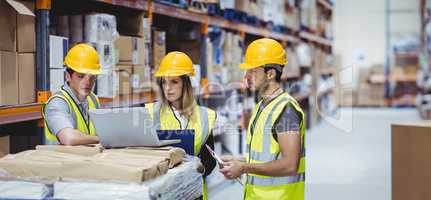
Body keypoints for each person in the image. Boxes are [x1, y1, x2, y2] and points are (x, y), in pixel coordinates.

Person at [219, 38, 306, 200]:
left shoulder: (286, 110)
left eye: (253, 71)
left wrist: (244, 167)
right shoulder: (261, 107)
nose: (246, 76)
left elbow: (289, 165)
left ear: (270, 74)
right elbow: (267, 157)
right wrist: (237, 162)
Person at [145, 51, 216, 200]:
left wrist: (200, 168)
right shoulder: (150, 113)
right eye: (164, 82)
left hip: (194, 191)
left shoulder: (205, 116)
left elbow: (210, 159)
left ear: (186, 83)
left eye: (174, 82)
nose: (168, 88)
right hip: (164, 191)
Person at [43, 43, 102, 145]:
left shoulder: (93, 99)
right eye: (81, 76)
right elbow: (69, 138)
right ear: (68, 76)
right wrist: (101, 138)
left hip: (88, 158)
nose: (87, 82)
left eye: (92, 77)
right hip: (62, 160)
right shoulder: (57, 103)